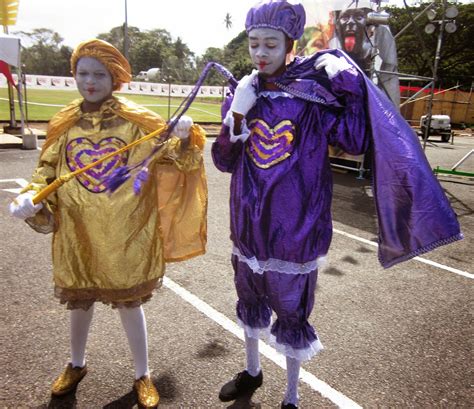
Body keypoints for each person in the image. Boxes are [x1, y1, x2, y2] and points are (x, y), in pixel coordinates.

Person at [211, 1, 461, 408]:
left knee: (292, 314)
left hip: (296, 229)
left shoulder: (312, 93)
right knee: (250, 299)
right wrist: (237, 112)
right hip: (248, 224)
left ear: (289, 45)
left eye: (271, 45)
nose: (261, 53)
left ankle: (291, 397)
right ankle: (253, 372)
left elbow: (355, 140)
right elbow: (224, 161)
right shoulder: (243, 93)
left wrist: (346, 83)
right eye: (255, 44)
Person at [9, 39, 207, 408]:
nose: (90, 81)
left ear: (114, 77)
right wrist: (31, 198)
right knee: (79, 303)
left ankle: (142, 374)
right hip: (78, 232)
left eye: (99, 74)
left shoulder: (137, 122)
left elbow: (170, 159)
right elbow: (47, 170)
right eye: (83, 73)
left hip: (124, 234)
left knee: (131, 305)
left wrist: (182, 140)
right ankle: (76, 364)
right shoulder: (65, 123)